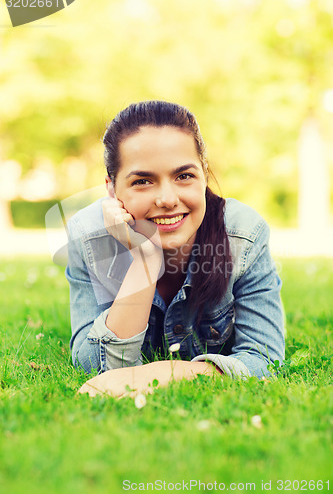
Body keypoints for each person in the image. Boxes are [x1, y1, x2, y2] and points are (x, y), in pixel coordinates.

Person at [65, 100, 284, 398]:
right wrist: (145, 258)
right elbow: (93, 367)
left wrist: (167, 373)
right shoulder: (90, 237)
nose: (167, 199)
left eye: (184, 176)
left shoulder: (243, 235)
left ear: (204, 175)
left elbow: (265, 358)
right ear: (112, 189)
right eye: (143, 181)